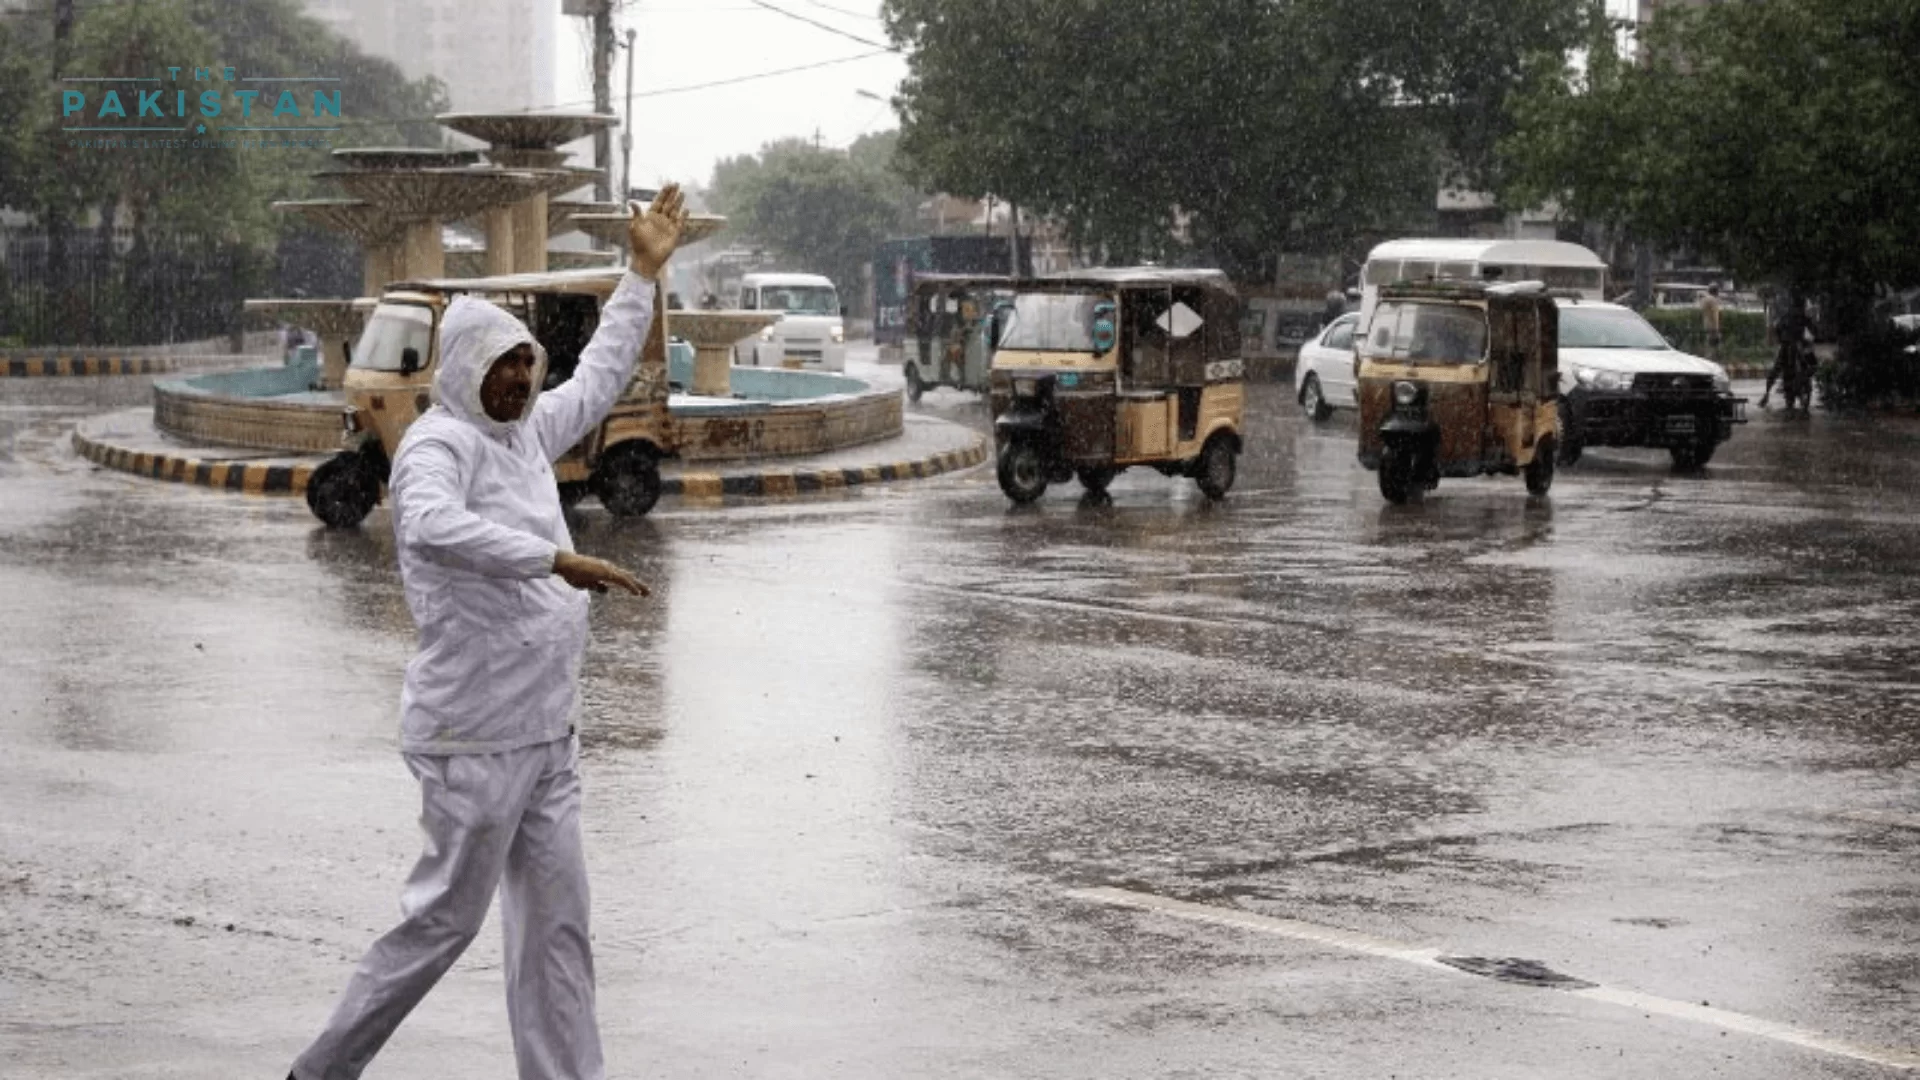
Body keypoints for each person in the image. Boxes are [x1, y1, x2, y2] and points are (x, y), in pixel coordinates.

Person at [287, 185, 689, 1080]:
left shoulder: (525, 434)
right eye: (502, 366)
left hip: (546, 732)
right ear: (465, 367)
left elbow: (600, 377)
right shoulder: (438, 446)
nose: (520, 379)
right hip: (471, 735)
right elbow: (428, 527)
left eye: (525, 363)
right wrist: (556, 561)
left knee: (557, 929)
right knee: (444, 922)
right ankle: (320, 1070)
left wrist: (640, 274)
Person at [1760, 291, 1812, 409]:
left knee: (1776, 370)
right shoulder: (1802, 317)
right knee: (1807, 364)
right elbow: (1814, 329)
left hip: (1789, 345)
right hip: (1797, 345)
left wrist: (1781, 339)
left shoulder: (1787, 316)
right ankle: (1768, 394)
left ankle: (1767, 394)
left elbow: (1778, 329)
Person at [1699, 284, 1723, 362]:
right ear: (1716, 292)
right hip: (1713, 326)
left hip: (1706, 324)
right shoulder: (1713, 300)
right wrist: (1717, 328)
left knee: (1708, 343)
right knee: (1714, 346)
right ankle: (1712, 361)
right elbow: (1715, 315)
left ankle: (1707, 360)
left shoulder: (1704, 300)